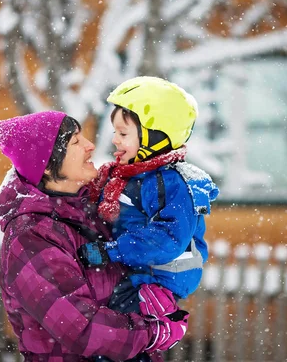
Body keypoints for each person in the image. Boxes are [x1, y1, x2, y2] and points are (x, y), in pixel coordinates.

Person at [0, 110, 189, 362]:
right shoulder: (31, 236)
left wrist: (157, 289)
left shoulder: (88, 207)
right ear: (47, 167)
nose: (90, 145)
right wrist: (152, 331)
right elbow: (81, 327)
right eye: (75, 141)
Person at [77, 76, 219, 315]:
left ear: (155, 137)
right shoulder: (130, 176)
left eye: (123, 133)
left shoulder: (171, 183)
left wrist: (110, 251)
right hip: (135, 270)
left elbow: (167, 238)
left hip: (157, 280)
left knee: (112, 331)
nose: (114, 139)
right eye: (115, 132)